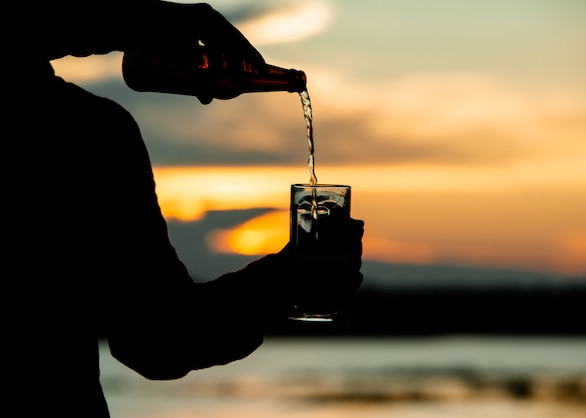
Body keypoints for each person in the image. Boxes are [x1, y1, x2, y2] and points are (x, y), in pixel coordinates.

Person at [6, 1, 364, 416]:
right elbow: (157, 341)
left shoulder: (95, 132)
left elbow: (158, 336)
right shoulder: (89, 135)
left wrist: (280, 283)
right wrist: (280, 285)